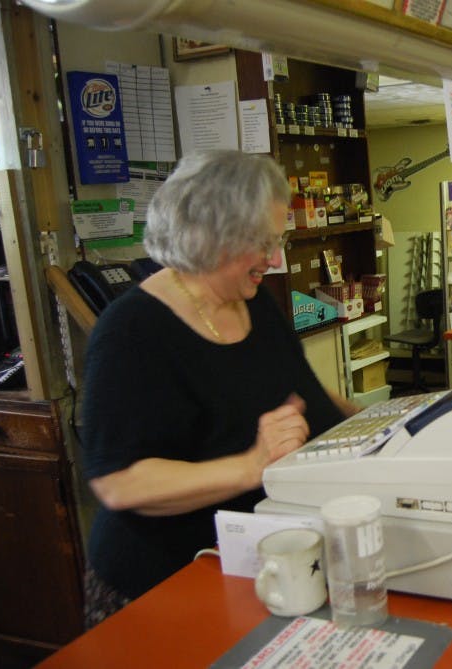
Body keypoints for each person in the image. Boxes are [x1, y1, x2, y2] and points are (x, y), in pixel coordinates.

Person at [80, 150, 360, 628]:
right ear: (211, 235)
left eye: (278, 240)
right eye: (263, 243)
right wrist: (251, 465)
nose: (275, 259)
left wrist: (377, 424)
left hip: (261, 566)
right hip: (165, 587)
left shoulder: (258, 304)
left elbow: (307, 393)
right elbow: (119, 482)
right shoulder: (131, 332)